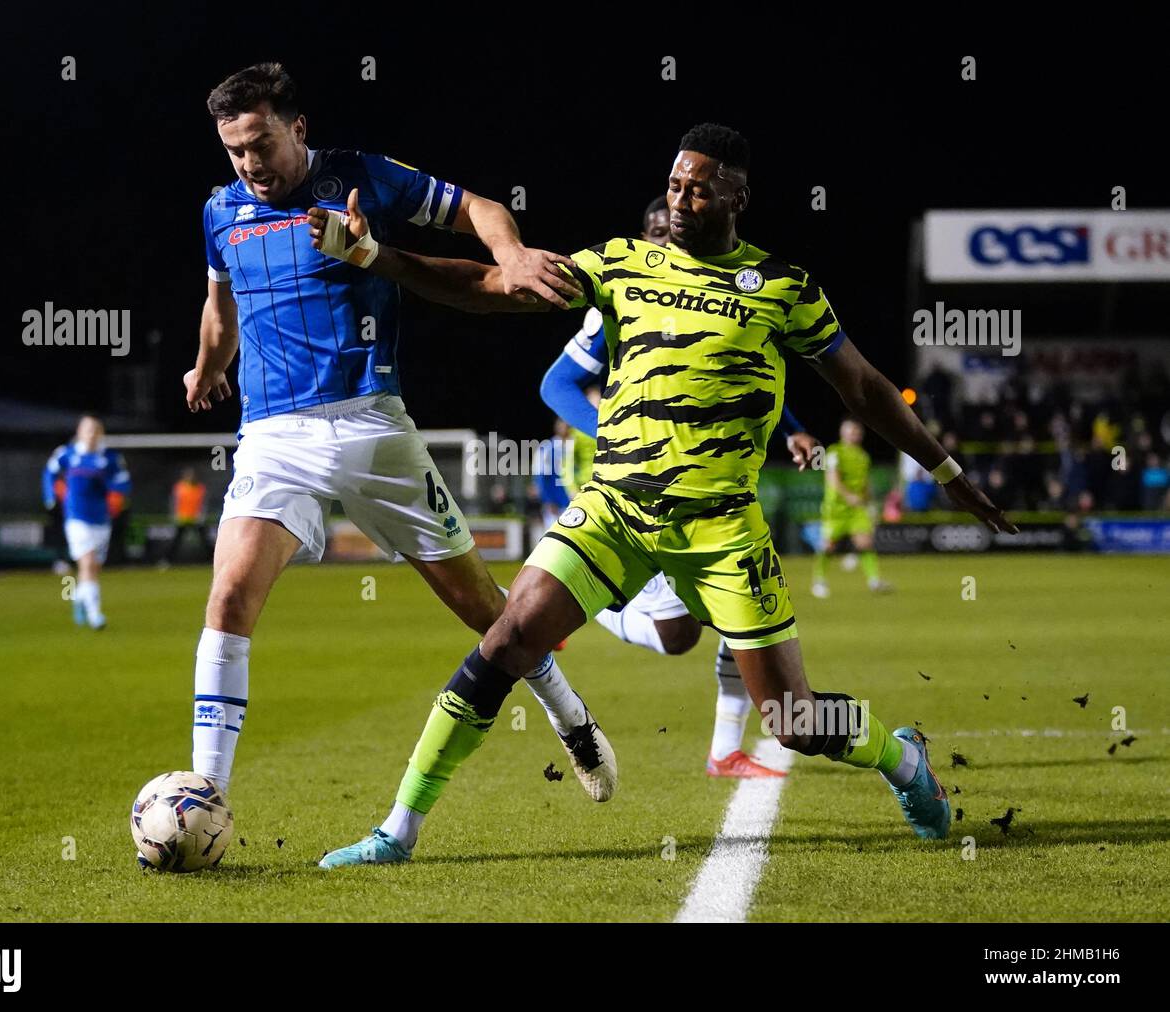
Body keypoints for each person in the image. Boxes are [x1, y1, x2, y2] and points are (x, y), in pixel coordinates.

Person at [312, 122, 1017, 865]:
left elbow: (867, 389)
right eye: (675, 184)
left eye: (699, 187)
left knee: (791, 719)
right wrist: (371, 254)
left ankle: (902, 760)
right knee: (509, 639)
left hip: (721, 531)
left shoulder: (783, 287)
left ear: (737, 195)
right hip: (614, 508)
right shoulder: (619, 262)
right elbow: (491, 287)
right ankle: (398, 830)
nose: (681, 200)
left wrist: (947, 473)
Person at [179, 63, 616, 837]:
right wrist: (208, 365)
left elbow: (476, 207)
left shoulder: (363, 178)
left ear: (297, 128)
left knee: (485, 609)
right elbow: (220, 311)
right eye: (234, 149)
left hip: (371, 429)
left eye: (260, 142)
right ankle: (204, 798)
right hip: (272, 439)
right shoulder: (220, 211)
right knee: (229, 598)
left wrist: (511, 257)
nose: (249, 163)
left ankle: (570, 714)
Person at [539, 195, 819, 778]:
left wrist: (792, 431)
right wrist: (617, 433)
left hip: (713, 488)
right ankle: (578, 611)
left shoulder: (720, 289)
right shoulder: (622, 293)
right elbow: (557, 385)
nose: (673, 240)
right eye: (660, 232)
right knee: (676, 636)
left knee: (729, 621)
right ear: (646, 236)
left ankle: (725, 749)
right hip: (635, 492)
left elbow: (746, 373)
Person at [42, 415, 131, 629]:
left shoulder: (110, 458)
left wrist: (117, 499)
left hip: (101, 518)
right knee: (87, 563)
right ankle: (95, 615)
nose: (90, 434)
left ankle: (79, 598)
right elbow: (49, 472)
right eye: (86, 429)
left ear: (100, 434)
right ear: (79, 432)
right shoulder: (68, 454)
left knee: (92, 568)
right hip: (76, 517)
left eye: (94, 430)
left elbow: (123, 482)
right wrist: (50, 495)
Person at [811, 418, 891, 599]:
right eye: (850, 431)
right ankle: (819, 581)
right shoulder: (834, 452)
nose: (854, 435)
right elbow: (833, 479)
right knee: (828, 546)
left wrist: (870, 503)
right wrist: (849, 496)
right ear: (842, 433)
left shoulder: (863, 456)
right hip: (836, 509)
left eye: (856, 432)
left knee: (865, 543)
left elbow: (865, 483)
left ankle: (874, 581)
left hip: (857, 509)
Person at [163, 467, 211, 565]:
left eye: (192, 475)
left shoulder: (200, 488)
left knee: (205, 541)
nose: (190, 477)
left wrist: (202, 515)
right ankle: (166, 561)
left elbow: (204, 503)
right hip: (182, 518)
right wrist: (174, 514)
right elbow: (174, 502)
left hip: (196, 518)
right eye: (188, 475)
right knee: (176, 541)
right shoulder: (179, 487)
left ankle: (212, 559)